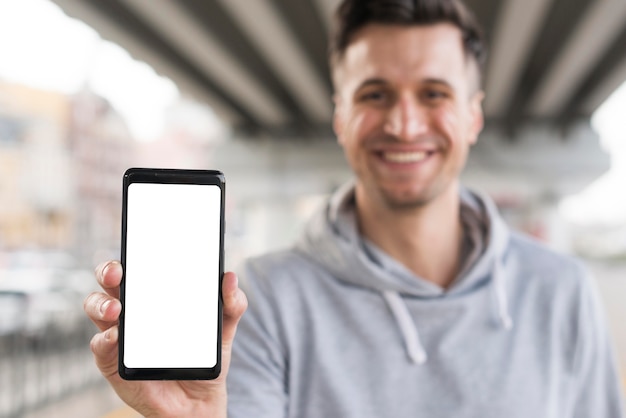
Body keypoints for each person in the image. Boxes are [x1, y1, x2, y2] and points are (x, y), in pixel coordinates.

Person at [84, 0, 625, 416]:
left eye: (434, 93)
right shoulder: (266, 298)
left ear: (473, 116)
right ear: (340, 116)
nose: (405, 124)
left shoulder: (562, 290)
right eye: (374, 94)